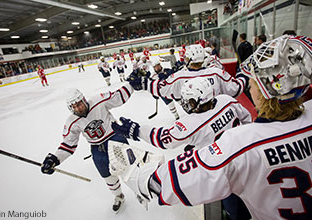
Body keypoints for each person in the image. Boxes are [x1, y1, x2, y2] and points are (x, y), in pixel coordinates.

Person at [111, 35, 312, 220]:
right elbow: (241, 104)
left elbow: (168, 174)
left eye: (254, 83)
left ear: (268, 88)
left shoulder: (237, 146)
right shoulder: (227, 100)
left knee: (233, 208)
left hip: (230, 168)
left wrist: (138, 175)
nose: (250, 87)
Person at [41, 83, 135, 213]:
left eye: (79, 104)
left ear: (84, 99)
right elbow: (69, 144)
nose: (78, 108)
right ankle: (119, 196)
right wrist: (55, 159)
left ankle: (142, 187)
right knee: (107, 176)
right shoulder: (71, 122)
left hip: (114, 138)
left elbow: (118, 97)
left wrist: (132, 83)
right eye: (74, 107)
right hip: (97, 148)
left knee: (129, 167)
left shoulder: (98, 101)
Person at [112, 77, 251, 151]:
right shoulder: (226, 100)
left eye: (189, 101)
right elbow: (247, 119)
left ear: (199, 100)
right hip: (241, 150)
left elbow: (163, 140)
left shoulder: (190, 125)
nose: (185, 104)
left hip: (221, 166)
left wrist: (136, 130)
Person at [129, 44, 247, 104]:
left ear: (189, 58)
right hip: (217, 114)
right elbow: (236, 88)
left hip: (196, 120)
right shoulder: (217, 73)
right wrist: (243, 73)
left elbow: (161, 88)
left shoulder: (180, 76)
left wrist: (143, 83)